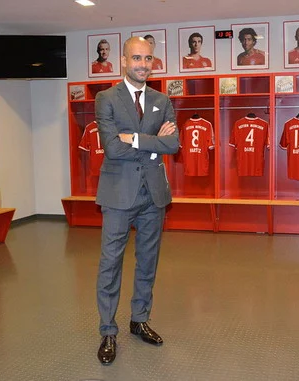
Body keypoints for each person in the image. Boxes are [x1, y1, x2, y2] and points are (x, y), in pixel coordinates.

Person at [94, 36, 179, 365]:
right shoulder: (107, 98)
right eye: (137, 58)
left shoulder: (162, 99)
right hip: (118, 195)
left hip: (153, 195)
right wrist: (156, 142)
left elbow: (174, 144)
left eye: (148, 59)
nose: (143, 64)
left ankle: (139, 319)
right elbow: (112, 148)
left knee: (147, 262)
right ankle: (107, 330)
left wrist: (138, 138)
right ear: (124, 61)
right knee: (110, 263)